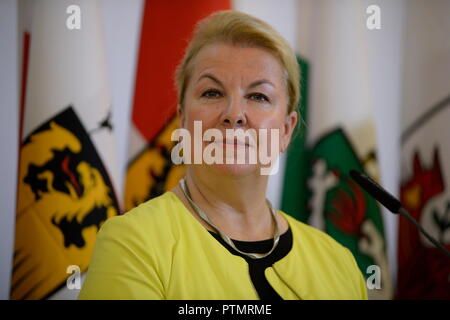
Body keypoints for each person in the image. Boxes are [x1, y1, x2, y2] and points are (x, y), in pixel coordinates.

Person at [78, 10, 367, 300]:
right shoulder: (133, 242)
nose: (234, 115)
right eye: (212, 93)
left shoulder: (338, 262)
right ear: (183, 120)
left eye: (258, 96)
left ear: (286, 130)